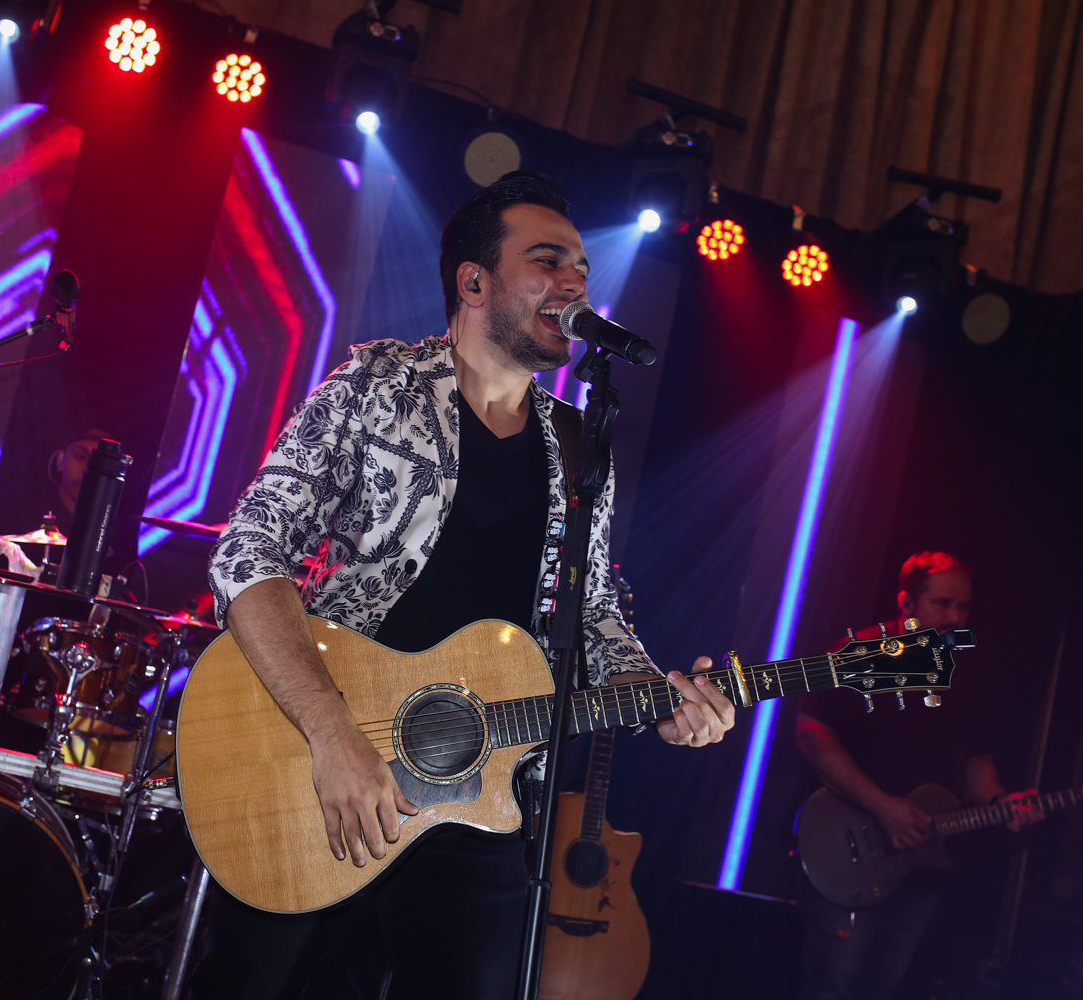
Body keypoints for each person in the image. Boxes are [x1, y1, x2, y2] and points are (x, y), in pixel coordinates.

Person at [194, 172, 736, 999]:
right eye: (548, 261)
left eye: (582, 268)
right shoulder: (377, 385)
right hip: (322, 768)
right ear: (473, 282)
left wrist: (658, 695)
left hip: (483, 788)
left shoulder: (578, 444)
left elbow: (590, 610)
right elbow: (248, 551)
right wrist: (331, 734)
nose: (575, 283)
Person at [794, 551, 1043, 1000]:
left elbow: (976, 764)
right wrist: (881, 806)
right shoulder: (859, 653)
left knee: (882, 985)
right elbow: (812, 733)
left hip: (922, 864)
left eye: (963, 607)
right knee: (834, 987)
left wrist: (999, 802)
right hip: (849, 849)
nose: (954, 617)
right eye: (942, 604)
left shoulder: (966, 672)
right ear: (906, 603)